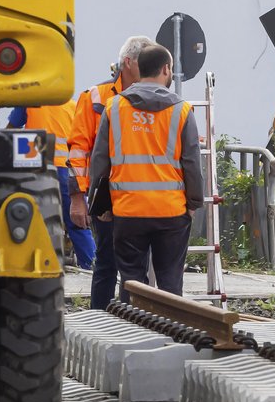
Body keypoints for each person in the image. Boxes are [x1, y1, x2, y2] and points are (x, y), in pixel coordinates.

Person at [88, 43, 205, 295]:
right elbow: (192, 163)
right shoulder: (182, 110)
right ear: (165, 69)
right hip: (171, 212)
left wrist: (100, 206)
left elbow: (99, 162)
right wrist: (193, 202)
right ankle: (170, 330)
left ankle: (135, 331)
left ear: (139, 68)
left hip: (128, 211)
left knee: (131, 282)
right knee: (170, 282)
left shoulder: (114, 107)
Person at [68, 35, 152, 307]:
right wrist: (78, 198)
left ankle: (132, 320)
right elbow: (79, 149)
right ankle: (99, 318)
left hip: (143, 196)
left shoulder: (153, 97)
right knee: (106, 262)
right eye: (144, 62)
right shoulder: (96, 97)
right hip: (107, 196)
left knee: (136, 268)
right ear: (128, 63)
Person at [6, 100, 95, 269]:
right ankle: (92, 268)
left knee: (34, 221)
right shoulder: (74, 106)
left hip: (38, 167)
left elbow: (10, 130)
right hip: (68, 170)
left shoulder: (29, 102)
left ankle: (36, 267)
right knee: (77, 222)